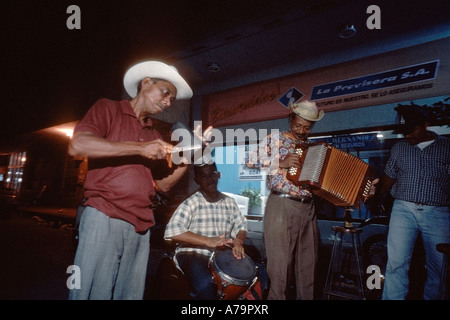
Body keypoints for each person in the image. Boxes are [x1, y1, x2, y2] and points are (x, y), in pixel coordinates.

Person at [67, 60, 196, 300]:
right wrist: (138, 148)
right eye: (165, 93)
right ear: (146, 83)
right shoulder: (109, 108)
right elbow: (78, 145)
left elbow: (163, 186)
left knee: (129, 294)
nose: (167, 103)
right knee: (93, 290)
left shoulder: (154, 134)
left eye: (172, 99)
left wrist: (190, 154)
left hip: (141, 224)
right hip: (104, 214)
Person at [247, 100, 324, 300]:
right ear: (290, 119)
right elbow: (250, 160)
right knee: (280, 267)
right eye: (297, 125)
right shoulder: (276, 139)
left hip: (308, 208)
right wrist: (280, 162)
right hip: (281, 205)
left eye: (307, 128)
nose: (301, 131)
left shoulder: (312, 147)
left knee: (309, 265)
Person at [372, 105, 450, 300]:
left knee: (440, 265)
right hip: (403, 209)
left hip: (437, 211)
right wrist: (375, 194)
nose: (407, 136)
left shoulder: (447, 147)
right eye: (404, 132)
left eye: (412, 130)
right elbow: (388, 179)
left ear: (426, 125)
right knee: (396, 262)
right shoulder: (399, 148)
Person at [164, 161, 248, 300]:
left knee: (254, 278)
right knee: (206, 285)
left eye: (212, 173)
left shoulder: (229, 202)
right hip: (192, 253)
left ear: (218, 175)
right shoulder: (191, 202)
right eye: (203, 176)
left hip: (219, 256)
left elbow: (241, 225)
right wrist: (208, 241)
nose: (210, 178)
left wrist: (238, 240)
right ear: (197, 180)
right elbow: (172, 231)